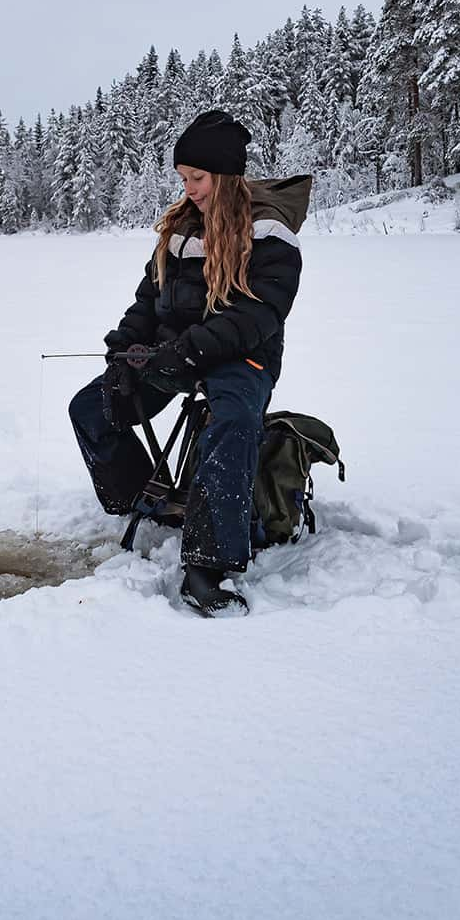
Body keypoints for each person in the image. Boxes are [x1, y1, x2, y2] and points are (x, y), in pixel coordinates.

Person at [68, 110, 308, 616]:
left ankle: (207, 564)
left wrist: (192, 346)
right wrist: (125, 344)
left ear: (223, 176)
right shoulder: (178, 229)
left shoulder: (270, 232)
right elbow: (147, 300)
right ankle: (143, 503)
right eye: (183, 178)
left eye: (197, 178)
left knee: (233, 419)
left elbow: (260, 313)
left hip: (242, 357)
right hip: (175, 352)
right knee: (92, 406)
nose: (189, 189)